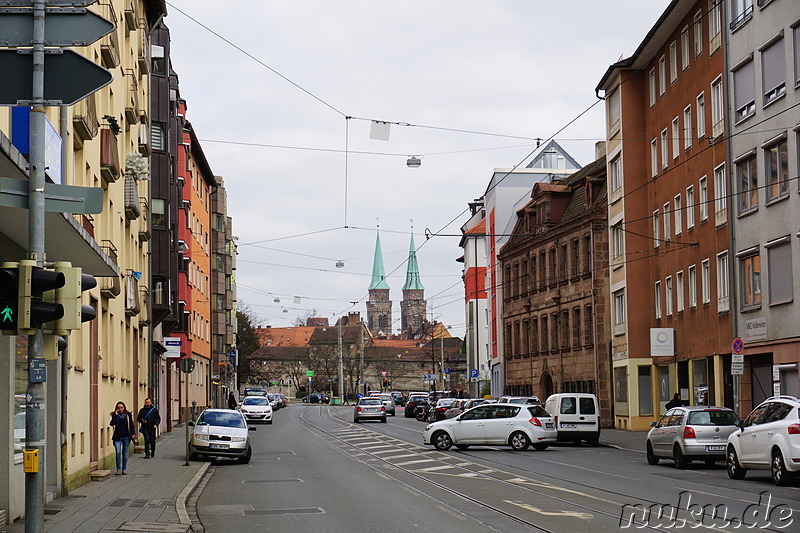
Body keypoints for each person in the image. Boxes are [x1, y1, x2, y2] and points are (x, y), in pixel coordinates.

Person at [110, 401, 136, 475]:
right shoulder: (115, 415)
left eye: (121, 407)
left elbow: (131, 424)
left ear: (124, 408)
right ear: (116, 409)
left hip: (126, 437)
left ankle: (124, 469)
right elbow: (112, 424)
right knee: (118, 452)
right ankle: (118, 469)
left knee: (125, 453)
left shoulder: (128, 415)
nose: (120, 409)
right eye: (118, 408)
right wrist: (115, 416)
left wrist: (133, 433)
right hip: (117, 437)